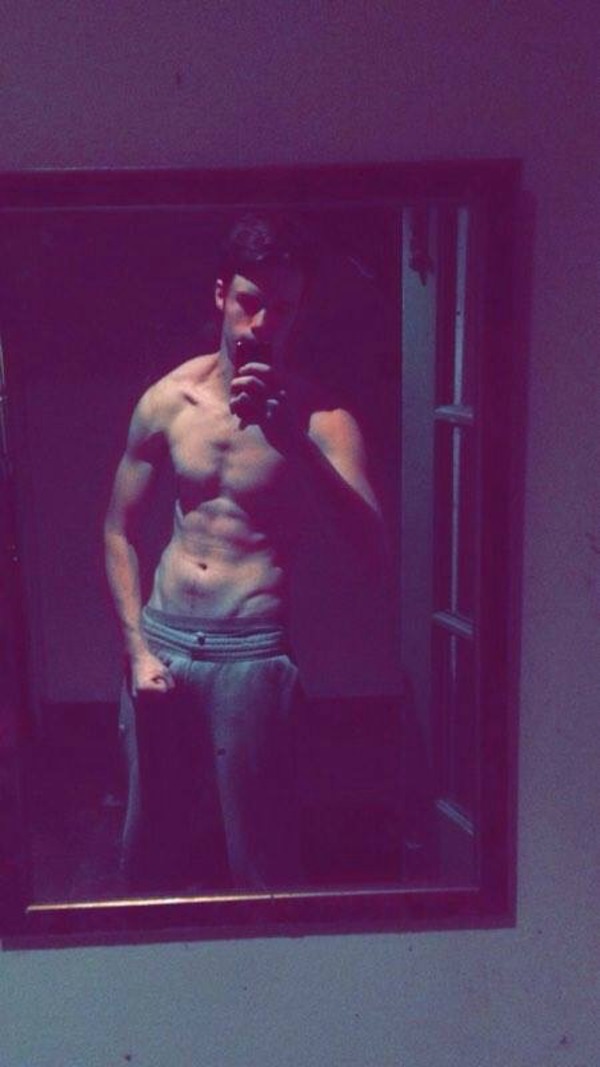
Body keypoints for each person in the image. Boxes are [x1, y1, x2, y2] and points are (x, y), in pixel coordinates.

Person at [104, 213, 384, 893]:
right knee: (147, 855)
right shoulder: (169, 400)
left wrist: (296, 446)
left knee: (261, 864)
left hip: (252, 653)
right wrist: (136, 648)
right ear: (221, 294)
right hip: (163, 644)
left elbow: (372, 546)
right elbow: (118, 529)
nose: (262, 324)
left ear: (300, 313)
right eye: (250, 301)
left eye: (282, 308)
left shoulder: (322, 417)